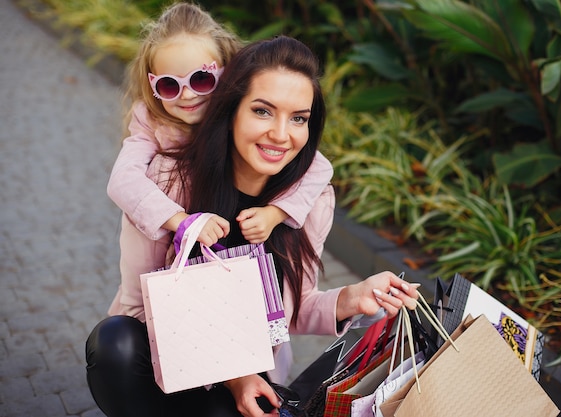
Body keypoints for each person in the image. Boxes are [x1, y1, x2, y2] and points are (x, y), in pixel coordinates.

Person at [86, 35, 420, 417]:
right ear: (230, 111)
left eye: (298, 118)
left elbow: (295, 306)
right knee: (114, 342)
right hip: (162, 364)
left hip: (246, 381)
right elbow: (141, 309)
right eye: (263, 111)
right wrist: (232, 373)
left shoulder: (309, 201)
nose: (281, 135)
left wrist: (353, 298)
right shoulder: (166, 183)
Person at [106, 2, 335, 320]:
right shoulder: (158, 144)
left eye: (201, 79)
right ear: (153, 87)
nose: (187, 96)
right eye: (169, 85)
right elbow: (122, 181)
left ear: (230, 77)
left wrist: (275, 214)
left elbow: (320, 166)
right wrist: (181, 221)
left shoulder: (267, 147)